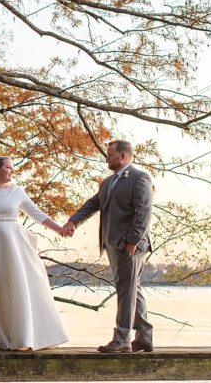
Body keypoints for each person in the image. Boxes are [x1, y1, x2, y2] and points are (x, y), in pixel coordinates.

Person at [0, 156, 69, 350]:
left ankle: (21, 336)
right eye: (8, 167)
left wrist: (59, 228)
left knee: (14, 284)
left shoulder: (17, 191)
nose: (12, 171)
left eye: (13, 168)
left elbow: (36, 214)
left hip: (13, 246)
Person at [62, 140, 154, 353]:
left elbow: (144, 212)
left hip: (130, 245)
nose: (107, 159)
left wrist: (132, 241)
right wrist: (73, 221)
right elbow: (93, 203)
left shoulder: (140, 178)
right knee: (132, 289)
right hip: (113, 244)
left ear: (123, 156)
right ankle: (144, 336)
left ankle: (122, 340)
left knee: (126, 291)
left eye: (110, 155)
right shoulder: (108, 182)